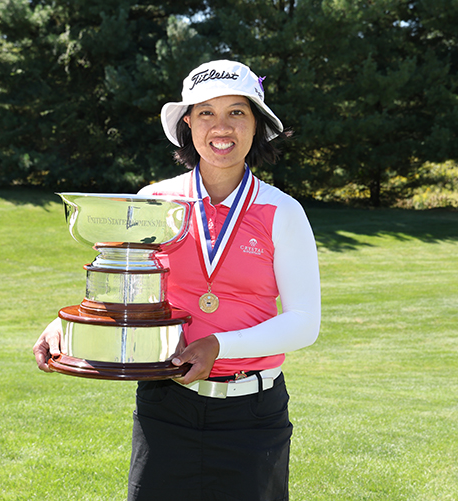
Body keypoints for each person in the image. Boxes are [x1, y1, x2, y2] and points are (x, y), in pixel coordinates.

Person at [33, 59, 321, 501]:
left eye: (236, 112)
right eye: (206, 112)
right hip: (166, 404)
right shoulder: (155, 202)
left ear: (257, 125)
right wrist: (66, 329)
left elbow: (304, 322)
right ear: (188, 123)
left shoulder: (283, 211)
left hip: (252, 414)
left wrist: (218, 346)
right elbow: (124, 286)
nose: (221, 127)